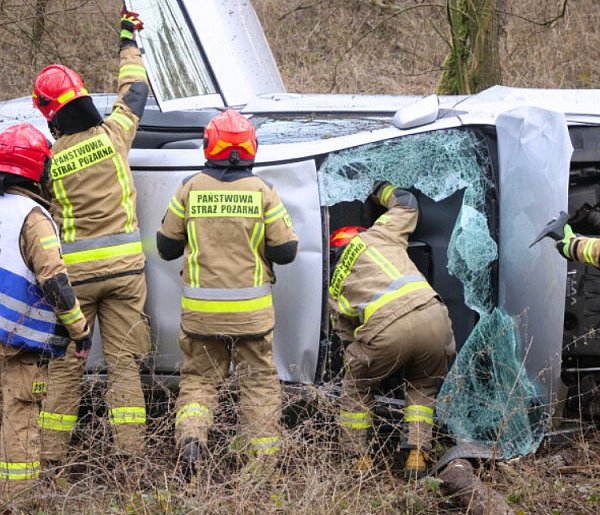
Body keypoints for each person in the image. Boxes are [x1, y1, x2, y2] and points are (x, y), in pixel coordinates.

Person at [31, 6, 150, 470]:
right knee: (125, 367)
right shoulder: (114, 134)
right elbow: (135, 89)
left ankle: (53, 461)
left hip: (74, 284)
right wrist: (127, 40)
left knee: (65, 369)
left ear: (47, 112)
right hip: (126, 274)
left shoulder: (47, 161)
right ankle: (130, 460)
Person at [156, 109, 299, 481]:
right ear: (251, 147)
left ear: (209, 146)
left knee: (200, 380)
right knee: (258, 383)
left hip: (202, 314)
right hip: (251, 314)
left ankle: (190, 438)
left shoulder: (190, 188)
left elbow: (166, 247)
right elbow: (286, 251)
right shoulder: (262, 192)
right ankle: (263, 466)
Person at [328, 181, 456, 477]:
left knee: (356, 388)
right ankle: (417, 455)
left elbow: (348, 338)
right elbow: (407, 202)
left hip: (386, 333)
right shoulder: (381, 233)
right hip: (434, 316)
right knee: (423, 386)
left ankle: (358, 459)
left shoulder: (336, 285)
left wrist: (372, 363)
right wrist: (376, 185)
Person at [0, 123, 91, 501]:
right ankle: (17, 501)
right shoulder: (33, 218)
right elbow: (54, 281)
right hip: (20, 346)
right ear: (37, 169)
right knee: (19, 424)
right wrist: (79, 329)